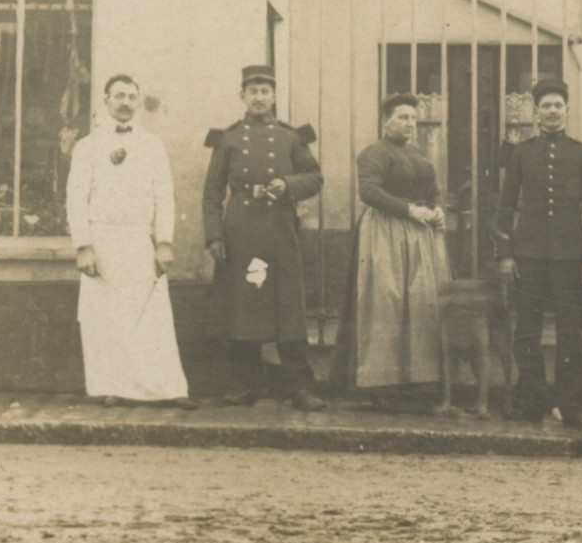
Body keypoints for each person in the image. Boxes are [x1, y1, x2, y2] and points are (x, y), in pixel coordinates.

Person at [66, 74, 195, 409]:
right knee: (106, 315)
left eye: (131, 97)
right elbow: (76, 199)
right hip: (102, 239)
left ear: (137, 103)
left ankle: (166, 388)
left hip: (140, 239)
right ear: (106, 101)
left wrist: (164, 242)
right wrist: (84, 246)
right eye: (119, 96)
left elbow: (164, 196)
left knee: (151, 314)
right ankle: (112, 385)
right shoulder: (87, 146)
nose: (125, 102)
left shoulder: (152, 145)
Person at [203, 64, 327, 412]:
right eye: (252, 91)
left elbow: (315, 178)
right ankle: (245, 385)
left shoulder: (291, 137)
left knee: (288, 307)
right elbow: (212, 193)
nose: (259, 97)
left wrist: (287, 185)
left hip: (279, 230)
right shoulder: (227, 138)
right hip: (241, 231)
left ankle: (300, 388)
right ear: (242, 96)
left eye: (265, 91)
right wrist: (214, 236)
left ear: (274, 97)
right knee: (244, 306)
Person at [495, 77, 582, 428]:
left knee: (570, 331)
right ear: (536, 111)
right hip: (527, 256)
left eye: (558, 105)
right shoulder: (521, 153)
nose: (553, 111)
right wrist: (507, 253)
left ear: (567, 110)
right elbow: (505, 206)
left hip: (571, 258)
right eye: (546, 106)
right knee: (526, 329)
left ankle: (570, 405)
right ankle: (531, 401)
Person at [350, 92, 450, 392]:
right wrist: (408, 210)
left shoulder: (418, 154)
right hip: (386, 234)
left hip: (421, 235)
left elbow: (433, 189)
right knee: (387, 302)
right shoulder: (374, 153)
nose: (410, 124)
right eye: (403, 117)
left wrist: (438, 207)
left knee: (422, 304)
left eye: (413, 118)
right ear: (385, 121)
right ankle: (383, 384)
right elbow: (369, 192)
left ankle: (421, 381)